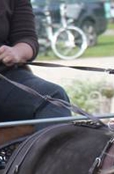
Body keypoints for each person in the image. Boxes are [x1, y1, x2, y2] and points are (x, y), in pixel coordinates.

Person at [0, 0, 71, 132]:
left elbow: (27, 38)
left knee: (54, 97)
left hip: (5, 78)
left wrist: (16, 52)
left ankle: (53, 152)